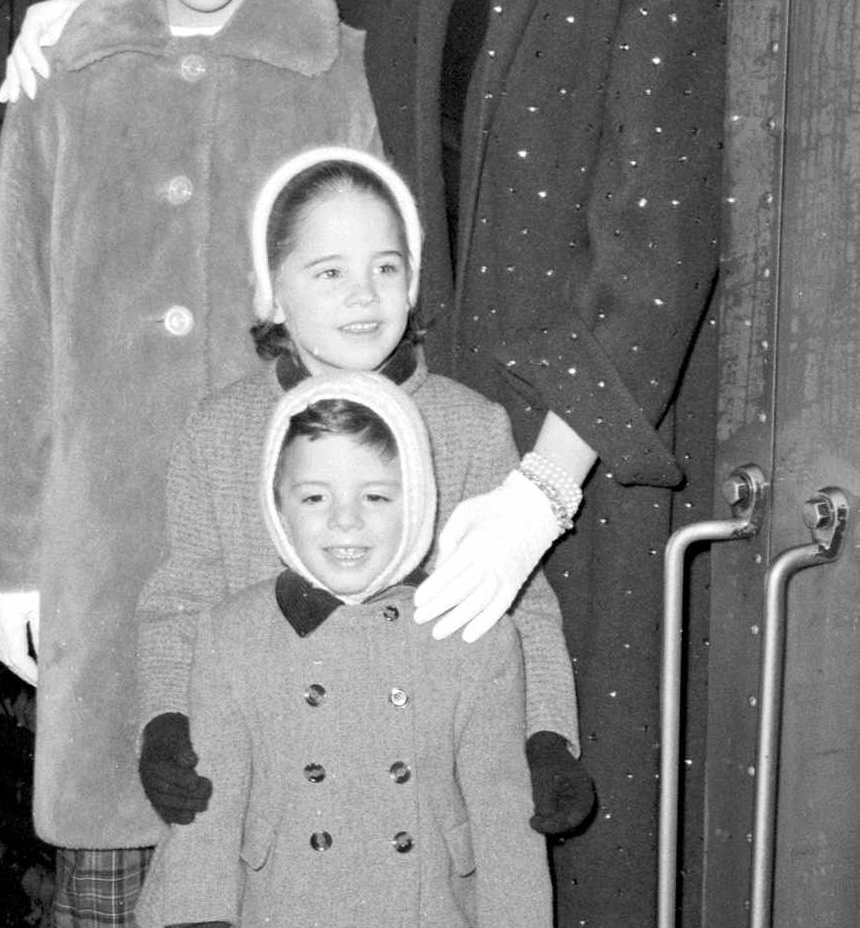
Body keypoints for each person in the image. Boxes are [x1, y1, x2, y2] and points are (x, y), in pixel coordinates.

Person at [0, 0, 729, 928]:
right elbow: (342, 3)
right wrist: (129, 1)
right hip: (415, 418)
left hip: (563, 459)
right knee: (411, 872)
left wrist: (539, 491)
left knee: (581, 880)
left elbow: (659, 258)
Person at [0, 0, 383, 928]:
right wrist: (14, 558)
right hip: (104, 549)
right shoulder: (65, 81)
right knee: (103, 861)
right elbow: (18, 324)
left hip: (277, 534)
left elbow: (369, 313)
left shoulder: (332, 74)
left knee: (273, 859)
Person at [136, 147, 594, 839]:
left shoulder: (469, 429)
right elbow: (182, 600)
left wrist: (545, 740)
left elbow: (521, 611)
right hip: (270, 803)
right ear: (273, 293)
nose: (364, 294)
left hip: (420, 804)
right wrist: (166, 719)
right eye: (329, 272)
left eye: (386, 267)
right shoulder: (218, 431)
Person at [135, 372, 572, 928]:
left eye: (376, 496)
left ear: (419, 505)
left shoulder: (473, 631)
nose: (346, 522)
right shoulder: (232, 634)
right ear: (277, 507)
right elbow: (208, 807)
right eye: (314, 496)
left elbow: (502, 801)